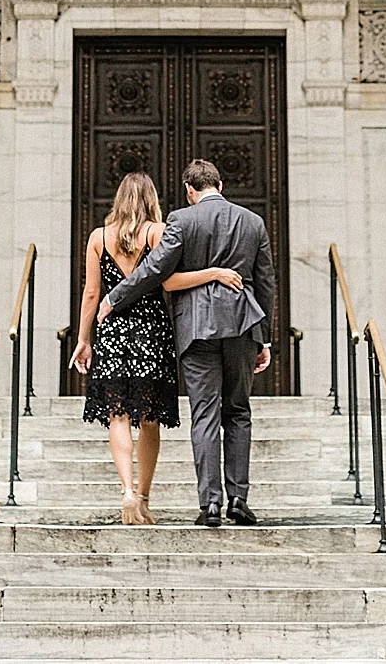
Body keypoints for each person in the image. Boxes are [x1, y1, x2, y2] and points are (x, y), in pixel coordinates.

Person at [99, 158, 275, 528]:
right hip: (243, 326)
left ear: (190, 191)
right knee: (239, 412)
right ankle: (238, 499)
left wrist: (115, 297)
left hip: (196, 331)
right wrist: (266, 338)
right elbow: (266, 283)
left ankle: (210, 504)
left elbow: (155, 270)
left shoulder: (182, 219)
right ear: (221, 185)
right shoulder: (253, 222)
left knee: (205, 415)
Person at [71, 171, 245, 525]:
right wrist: (213, 272)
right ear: (152, 199)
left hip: (114, 329)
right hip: (151, 329)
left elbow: (92, 293)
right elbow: (168, 281)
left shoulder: (98, 238)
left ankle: (127, 492)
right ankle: (145, 499)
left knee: (117, 416)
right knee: (149, 420)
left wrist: (83, 338)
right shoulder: (158, 232)